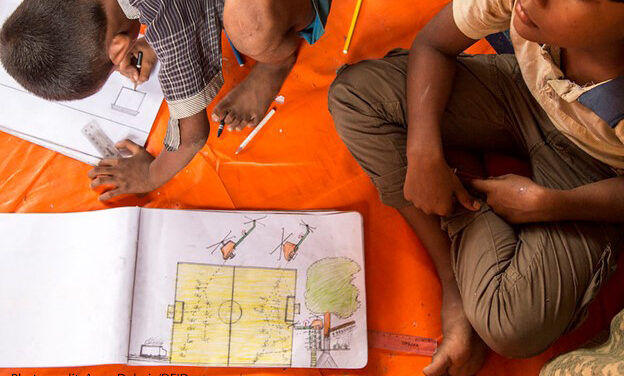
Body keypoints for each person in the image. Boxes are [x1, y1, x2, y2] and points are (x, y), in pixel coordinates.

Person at [328, 0, 624, 375]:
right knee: (355, 97)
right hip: (522, 93)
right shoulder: (525, 6)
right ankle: (454, 281)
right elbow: (434, 44)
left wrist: (552, 205)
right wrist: (423, 152)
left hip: (593, 171)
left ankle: (460, 193)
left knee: (511, 323)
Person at [0, 0, 331, 200]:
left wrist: (150, 176)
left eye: (112, 68)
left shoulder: (169, 29)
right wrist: (154, 39)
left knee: (249, 23)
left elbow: (192, 136)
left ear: (118, 50)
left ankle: (277, 59)